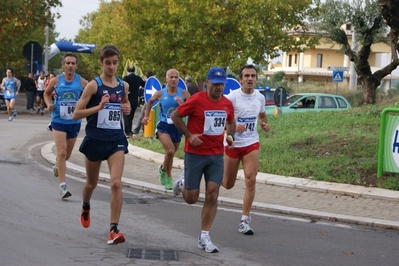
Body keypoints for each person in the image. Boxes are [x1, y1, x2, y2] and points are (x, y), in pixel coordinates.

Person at [171, 67, 236, 253]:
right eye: (215, 83)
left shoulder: (226, 103)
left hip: (216, 155)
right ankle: (183, 182)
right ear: (207, 82)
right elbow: (175, 116)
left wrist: (230, 137)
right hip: (195, 154)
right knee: (191, 198)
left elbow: (230, 122)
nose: (219, 87)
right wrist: (189, 135)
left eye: (222, 83)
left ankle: (205, 236)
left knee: (213, 193)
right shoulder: (196, 100)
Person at [73, 44, 131, 245]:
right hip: (95, 140)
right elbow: (76, 113)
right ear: (101, 63)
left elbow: (126, 103)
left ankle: (113, 229)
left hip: (116, 140)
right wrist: (99, 107)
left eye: (115, 63)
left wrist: (126, 107)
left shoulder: (123, 86)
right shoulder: (93, 85)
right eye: (108, 63)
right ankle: (86, 204)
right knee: (92, 183)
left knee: (116, 183)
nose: (111, 67)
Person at [222, 65, 270, 235]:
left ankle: (244, 220)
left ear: (256, 79)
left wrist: (264, 124)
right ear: (241, 79)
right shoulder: (232, 97)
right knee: (228, 184)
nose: (250, 79)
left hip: (251, 143)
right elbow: (221, 119)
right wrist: (233, 127)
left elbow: (262, 115)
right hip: (233, 143)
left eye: (253, 76)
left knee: (251, 179)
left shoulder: (260, 97)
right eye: (247, 76)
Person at [44, 53, 87, 199]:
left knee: (66, 156)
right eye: (67, 63)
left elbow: (92, 94)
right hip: (58, 120)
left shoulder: (82, 82)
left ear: (76, 66)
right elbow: (46, 93)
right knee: (61, 152)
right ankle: (63, 186)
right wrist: (49, 103)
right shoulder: (56, 80)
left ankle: (58, 165)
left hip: (74, 122)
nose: (70, 66)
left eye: (73, 63)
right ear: (63, 65)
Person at [142, 69, 191, 190]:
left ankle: (163, 169)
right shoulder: (160, 93)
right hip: (163, 126)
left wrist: (183, 105)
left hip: (177, 127)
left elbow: (192, 109)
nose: (173, 79)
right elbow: (150, 101)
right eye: (171, 77)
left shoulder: (184, 94)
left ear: (178, 79)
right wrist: (146, 116)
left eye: (176, 77)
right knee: (170, 151)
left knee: (170, 154)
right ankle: (169, 177)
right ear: (166, 79)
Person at [122, 65, 145, 137]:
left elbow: (122, 87)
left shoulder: (126, 78)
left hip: (127, 98)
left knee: (126, 115)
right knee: (131, 116)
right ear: (134, 71)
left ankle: (127, 132)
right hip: (135, 99)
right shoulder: (138, 78)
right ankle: (129, 131)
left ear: (127, 71)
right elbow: (145, 85)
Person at [132, 71, 154, 137]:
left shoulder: (147, 82)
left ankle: (136, 130)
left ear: (146, 76)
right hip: (153, 101)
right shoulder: (153, 82)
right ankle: (144, 129)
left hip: (148, 101)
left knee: (141, 115)